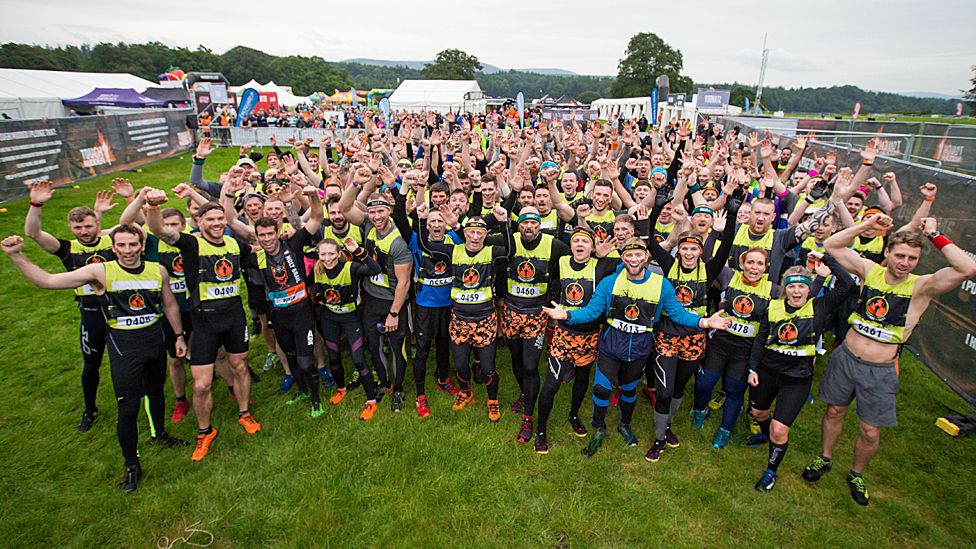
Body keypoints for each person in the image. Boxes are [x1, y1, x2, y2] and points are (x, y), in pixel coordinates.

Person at [802, 212, 976, 505]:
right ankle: (825, 457)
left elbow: (967, 267)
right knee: (834, 412)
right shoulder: (870, 271)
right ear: (887, 252)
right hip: (846, 357)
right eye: (900, 256)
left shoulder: (923, 286)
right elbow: (832, 245)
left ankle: (856, 473)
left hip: (880, 369)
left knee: (870, 430)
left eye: (911, 258)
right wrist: (867, 225)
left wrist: (934, 235)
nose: (904, 262)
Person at [2, 226, 188, 493]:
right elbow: (47, 281)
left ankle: (159, 435)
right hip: (124, 347)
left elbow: (169, 304)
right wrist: (17, 255)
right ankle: (131, 465)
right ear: (113, 248)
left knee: (156, 393)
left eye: (132, 245)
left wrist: (179, 335)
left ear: (141, 244)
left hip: (154, 341)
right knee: (128, 407)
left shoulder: (157, 270)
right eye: (121, 246)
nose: (127, 251)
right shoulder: (100, 272)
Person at [543, 238, 732, 458]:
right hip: (611, 347)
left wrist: (706, 322)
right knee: (601, 389)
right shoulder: (609, 283)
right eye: (629, 255)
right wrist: (567, 314)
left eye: (638, 255)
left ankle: (625, 424)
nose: (634, 259)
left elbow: (678, 314)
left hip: (640, 350)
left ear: (646, 257)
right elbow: (592, 312)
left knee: (628, 389)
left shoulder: (661, 284)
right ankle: (598, 426)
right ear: (623, 258)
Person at [145, 187, 261, 462]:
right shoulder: (191, 244)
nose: (218, 223)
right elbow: (161, 231)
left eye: (221, 218)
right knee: (201, 385)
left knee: (240, 366)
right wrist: (152, 207)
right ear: (199, 222)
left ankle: (244, 413)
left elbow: (258, 250)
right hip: (204, 320)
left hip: (233, 315)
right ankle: (204, 431)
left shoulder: (234, 244)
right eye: (211, 219)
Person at [641, 190, 738, 462]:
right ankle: (659, 439)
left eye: (694, 248)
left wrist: (731, 215)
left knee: (680, 386)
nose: (689, 252)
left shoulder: (707, 270)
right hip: (668, 335)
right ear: (679, 249)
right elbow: (650, 243)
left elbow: (727, 245)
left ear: (700, 251)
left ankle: (668, 426)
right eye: (685, 247)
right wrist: (657, 207)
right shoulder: (669, 264)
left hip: (695, 337)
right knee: (664, 390)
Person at [747, 253, 854, 493]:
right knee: (758, 412)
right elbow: (761, 338)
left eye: (802, 287)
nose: (796, 292)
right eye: (792, 287)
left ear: (809, 290)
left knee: (779, 428)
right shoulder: (773, 307)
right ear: (785, 289)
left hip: (796, 379)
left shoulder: (819, 307)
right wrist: (752, 368)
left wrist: (827, 259)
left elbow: (848, 284)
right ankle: (766, 438)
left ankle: (770, 471)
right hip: (768, 371)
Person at [223, 179, 326, 418]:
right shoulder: (255, 258)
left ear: (278, 232)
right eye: (262, 235)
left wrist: (313, 197)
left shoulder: (293, 243)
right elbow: (231, 227)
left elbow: (317, 219)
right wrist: (228, 195)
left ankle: (316, 400)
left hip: (302, 313)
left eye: (271, 234)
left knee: (305, 362)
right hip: (279, 316)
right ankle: (301, 391)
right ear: (256, 236)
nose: (267, 239)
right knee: (290, 360)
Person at [23, 181, 116, 432]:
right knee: (91, 363)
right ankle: (89, 409)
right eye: (78, 227)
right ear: (70, 228)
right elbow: (34, 234)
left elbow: (136, 226)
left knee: (127, 360)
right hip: (91, 313)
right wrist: (36, 204)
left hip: (119, 311)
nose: (84, 231)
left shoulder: (112, 241)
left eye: (88, 225)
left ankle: (133, 400)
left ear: (97, 223)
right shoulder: (67, 248)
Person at [419, 208, 512, 422]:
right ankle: (466, 393)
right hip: (459, 318)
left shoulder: (491, 252)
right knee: (460, 365)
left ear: (485, 234)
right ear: (465, 233)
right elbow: (425, 245)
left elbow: (509, 250)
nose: (476, 236)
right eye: (472, 232)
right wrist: (421, 218)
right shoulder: (454, 250)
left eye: (481, 232)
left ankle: (492, 401)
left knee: (488, 368)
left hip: (485, 318)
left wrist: (505, 222)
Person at [338, 166, 414, 412]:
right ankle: (384, 383)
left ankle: (399, 388)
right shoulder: (369, 226)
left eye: (381, 211)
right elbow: (345, 208)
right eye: (372, 212)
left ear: (389, 211)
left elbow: (404, 282)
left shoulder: (398, 241)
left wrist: (394, 312)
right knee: (373, 343)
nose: (377, 216)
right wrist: (356, 184)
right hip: (371, 299)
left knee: (396, 347)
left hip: (393, 301)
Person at [533, 227, 615, 453]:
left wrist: (604, 256)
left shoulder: (601, 266)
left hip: (589, 336)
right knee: (552, 384)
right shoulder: (560, 261)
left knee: (582, 379)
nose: (580, 245)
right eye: (576, 241)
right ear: (571, 245)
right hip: (564, 334)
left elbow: (630, 263)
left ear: (593, 247)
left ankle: (574, 415)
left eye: (585, 242)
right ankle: (540, 430)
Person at [691, 248, 777, 449]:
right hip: (720, 343)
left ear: (766, 268)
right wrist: (719, 231)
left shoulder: (773, 290)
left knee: (734, 391)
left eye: (759, 264)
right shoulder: (729, 276)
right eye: (750, 262)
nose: (754, 268)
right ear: (742, 263)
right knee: (704, 383)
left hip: (745, 351)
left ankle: (725, 430)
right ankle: (700, 410)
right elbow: (707, 256)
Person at [503, 206, 569, 444]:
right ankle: (525, 393)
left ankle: (529, 417)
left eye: (533, 223)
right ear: (518, 225)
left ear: (540, 225)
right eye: (523, 223)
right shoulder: (510, 242)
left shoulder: (554, 245)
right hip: (511, 311)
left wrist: (557, 302)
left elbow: (572, 265)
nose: (528, 227)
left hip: (536, 313)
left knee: (531, 366)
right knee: (516, 360)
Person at [314, 237, 383, 419]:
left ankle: (371, 400)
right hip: (329, 318)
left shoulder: (350, 268)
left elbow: (375, 269)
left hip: (351, 318)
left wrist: (357, 251)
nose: (327, 258)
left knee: (359, 360)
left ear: (338, 254)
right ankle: (341, 389)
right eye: (323, 254)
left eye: (331, 254)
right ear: (318, 255)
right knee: (334, 358)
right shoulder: (317, 269)